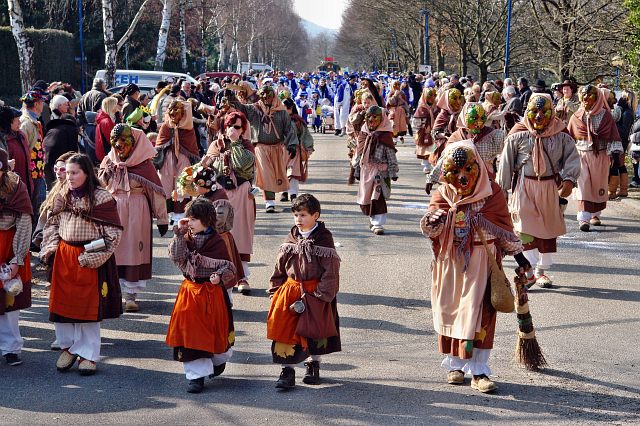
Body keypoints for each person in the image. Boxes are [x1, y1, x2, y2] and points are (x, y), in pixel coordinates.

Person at [421, 140, 531, 394]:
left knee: (480, 314)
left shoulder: (492, 193)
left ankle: (479, 371)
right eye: (455, 171)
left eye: (467, 170)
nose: (462, 177)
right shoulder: (443, 194)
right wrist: (434, 221)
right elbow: (431, 232)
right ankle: (455, 366)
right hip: (451, 264)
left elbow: (504, 230)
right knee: (452, 312)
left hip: (483, 262)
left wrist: (521, 259)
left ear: (477, 167)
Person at [40, 153, 123, 376]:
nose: (69, 177)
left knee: (87, 309)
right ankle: (67, 348)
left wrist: (90, 257)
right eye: (67, 172)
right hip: (64, 256)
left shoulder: (102, 198)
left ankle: (88, 354)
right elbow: (52, 224)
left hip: (89, 257)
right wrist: (51, 248)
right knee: (62, 306)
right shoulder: (62, 194)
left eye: (74, 172)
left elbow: (113, 234)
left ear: (87, 173)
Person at [498, 94, 580, 288]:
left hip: (549, 188)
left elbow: (572, 157)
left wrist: (569, 179)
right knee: (524, 227)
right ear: (528, 111)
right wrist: (502, 190)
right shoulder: (518, 133)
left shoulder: (561, 133)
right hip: (524, 186)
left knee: (546, 230)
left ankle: (540, 271)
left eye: (544, 112)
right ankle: (529, 270)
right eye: (534, 111)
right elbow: (506, 162)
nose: (539, 116)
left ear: (552, 112)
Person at [266, 194, 341, 389]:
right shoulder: (291, 237)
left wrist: (322, 294)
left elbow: (331, 271)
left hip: (315, 291)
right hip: (290, 290)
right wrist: (275, 290)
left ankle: (313, 364)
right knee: (285, 330)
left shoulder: (324, 238)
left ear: (315, 215)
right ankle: (287, 370)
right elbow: (280, 266)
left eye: (303, 215)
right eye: (296, 215)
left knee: (314, 330)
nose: (298, 219)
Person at [165, 198, 237, 393]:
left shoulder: (216, 241)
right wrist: (179, 234)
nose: (190, 222)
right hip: (190, 292)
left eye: (194, 219)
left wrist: (219, 276)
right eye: (189, 218)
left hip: (211, 293)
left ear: (206, 220)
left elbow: (229, 267)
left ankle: (216, 361)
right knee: (190, 333)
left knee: (212, 332)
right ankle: (195, 376)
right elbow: (176, 257)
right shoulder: (185, 237)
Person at [99, 124, 169, 312]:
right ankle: (112, 292)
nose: (119, 145)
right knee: (112, 249)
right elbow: (99, 187)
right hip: (113, 211)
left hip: (137, 212)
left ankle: (130, 294)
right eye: (116, 140)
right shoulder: (108, 162)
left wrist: (162, 219)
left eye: (124, 140)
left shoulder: (145, 165)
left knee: (133, 250)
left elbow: (156, 194)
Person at [202, 111, 256, 295]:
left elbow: (241, 164)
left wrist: (234, 143)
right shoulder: (216, 144)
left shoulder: (247, 145)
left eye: (237, 127)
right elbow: (207, 167)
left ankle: (242, 276)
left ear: (243, 129)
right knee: (220, 234)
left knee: (241, 233)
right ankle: (220, 275)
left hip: (241, 192)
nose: (232, 129)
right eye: (229, 126)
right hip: (221, 192)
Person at [228, 85, 299, 213]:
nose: (265, 98)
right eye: (263, 96)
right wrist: (231, 97)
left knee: (277, 174)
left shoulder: (281, 111)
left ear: (273, 96)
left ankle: (283, 194)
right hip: (261, 147)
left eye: (268, 96)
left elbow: (289, 129)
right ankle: (269, 203)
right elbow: (241, 108)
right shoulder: (254, 109)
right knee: (266, 174)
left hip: (278, 148)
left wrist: (292, 145)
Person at [567, 86, 622, 231]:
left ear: (597, 98)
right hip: (582, 155)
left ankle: (595, 214)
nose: (586, 98)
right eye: (584, 95)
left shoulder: (606, 116)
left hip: (601, 155)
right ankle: (583, 217)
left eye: (590, 95)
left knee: (598, 185)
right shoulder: (576, 116)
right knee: (583, 185)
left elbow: (613, 135)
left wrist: (615, 155)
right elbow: (568, 138)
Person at [0, 148, 33, 366]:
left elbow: (24, 223)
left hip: (8, 246)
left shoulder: (16, 188)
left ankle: (10, 348)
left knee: (9, 302)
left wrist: (16, 259)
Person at [353, 106, 399, 235]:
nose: (371, 120)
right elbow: (359, 153)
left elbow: (391, 155)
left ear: (382, 119)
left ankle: (378, 223)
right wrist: (356, 169)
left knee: (378, 197)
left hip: (380, 172)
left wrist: (393, 171)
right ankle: (373, 220)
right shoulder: (364, 133)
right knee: (367, 197)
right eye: (369, 117)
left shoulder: (385, 135)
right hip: (366, 170)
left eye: (375, 117)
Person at [155, 100, 201, 222]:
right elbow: (159, 144)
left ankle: (180, 214)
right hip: (167, 159)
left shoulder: (188, 128)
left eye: (176, 110)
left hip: (183, 159)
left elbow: (192, 147)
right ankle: (167, 213)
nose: (172, 113)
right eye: (170, 110)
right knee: (165, 184)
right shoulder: (166, 126)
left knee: (182, 184)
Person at [282, 98, 314, 202]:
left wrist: (308, 147)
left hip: (295, 150)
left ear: (290, 107)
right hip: (281, 150)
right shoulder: (278, 119)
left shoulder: (297, 120)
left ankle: (293, 194)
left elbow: (305, 135)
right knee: (282, 172)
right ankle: (284, 192)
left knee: (293, 173)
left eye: (284, 107)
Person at [1, 107, 33, 198]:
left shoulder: (21, 135)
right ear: (8, 122)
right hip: (11, 187)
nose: (20, 123)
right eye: (17, 120)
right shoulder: (4, 140)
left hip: (26, 183)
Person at [42, 113, 79, 189]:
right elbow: (72, 150)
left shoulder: (53, 128)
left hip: (45, 158)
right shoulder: (72, 129)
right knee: (63, 187)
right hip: (59, 161)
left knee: (51, 187)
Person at [412, 87, 438, 176]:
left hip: (434, 131)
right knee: (425, 148)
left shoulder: (436, 107)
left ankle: (434, 164)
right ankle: (426, 166)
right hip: (424, 132)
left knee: (434, 148)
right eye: (430, 95)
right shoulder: (421, 108)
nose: (432, 98)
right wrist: (422, 127)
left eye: (434, 95)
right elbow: (416, 122)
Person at [95, 96, 120, 162]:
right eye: (116, 104)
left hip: (104, 152)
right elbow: (111, 139)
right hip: (107, 153)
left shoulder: (104, 118)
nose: (117, 106)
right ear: (111, 106)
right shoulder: (106, 121)